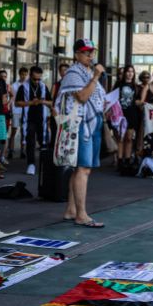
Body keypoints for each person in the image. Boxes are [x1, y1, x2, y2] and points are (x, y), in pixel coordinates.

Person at [57, 38, 106, 228]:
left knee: (83, 169)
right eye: (86, 52)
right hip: (80, 124)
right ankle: (81, 214)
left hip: (92, 123)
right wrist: (95, 77)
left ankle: (71, 210)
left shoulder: (87, 72)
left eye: (92, 52)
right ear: (77, 54)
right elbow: (83, 97)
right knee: (83, 168)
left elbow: (97, 97)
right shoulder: (73, 73)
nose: (90, 56)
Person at [15, 65, 52, 176]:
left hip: (42, 119)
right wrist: (31, 103)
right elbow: (17, 103)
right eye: (35, 79)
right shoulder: (23, 87)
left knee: (44, 142)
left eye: (39, 79)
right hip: (29, 119)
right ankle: (31, 164)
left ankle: (45, 165)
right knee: (30, 142)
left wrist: (42, 101)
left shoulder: (43, 87)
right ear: (30, 76)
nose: (37, 81)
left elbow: (51, 102)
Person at [113, 65, 140, 169]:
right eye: (128, 71)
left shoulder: (136, 87)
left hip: (132, 114)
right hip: (120, 114)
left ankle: (127, 160)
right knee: (120, 138)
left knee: (129, 138)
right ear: (124, 73)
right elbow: (111, 99)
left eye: (132, 71)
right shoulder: (118, 85)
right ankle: (120, 161)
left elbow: (139, 100)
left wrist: (140, 102)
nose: (130, 73)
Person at [8, 67, 29, 159]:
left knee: (24, 131)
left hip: (26, 111)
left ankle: (22, 151)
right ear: (19, 74)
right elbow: (12, 99)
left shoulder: (28, 85)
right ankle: (11, 150)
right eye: (22, 74)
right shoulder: (14, 85)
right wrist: (11, 110)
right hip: (16, 110)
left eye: (25, 74)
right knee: (14, 131)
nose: (24, 76)